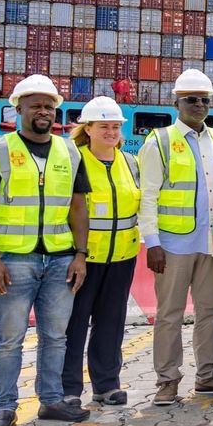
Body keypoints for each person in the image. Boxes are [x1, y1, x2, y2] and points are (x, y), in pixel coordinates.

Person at [0, 75, 92, 426]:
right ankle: (5, 407)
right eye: (35, 105)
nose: (43, 111)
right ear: (18, 108)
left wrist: (80, 255)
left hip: (59, 260)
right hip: (13, 261)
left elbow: (78, 208)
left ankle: (51, 400)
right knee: (9, 339)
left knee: (56, 336)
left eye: (49, 106)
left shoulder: (69, 151)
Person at [138, 68, 213, 406]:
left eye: (204, 99)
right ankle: (167, 381)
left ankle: (208, 375)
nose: (198, 104)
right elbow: (147, 195)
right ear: (177, 101)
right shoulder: (160, 141)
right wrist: (152, 243)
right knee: (170, 314)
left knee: (211, 311)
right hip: (173, 245)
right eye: (191, 99)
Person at [63, 97, 141, 407]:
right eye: (103, 126)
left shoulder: (130, 162)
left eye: (115, 127)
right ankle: (68, 389)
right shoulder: (74, 161)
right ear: (88, 129)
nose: (111, 132)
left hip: (122, 257)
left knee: (111, 323)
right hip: (83, 259)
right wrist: (74, 253)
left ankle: (107, 385)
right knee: (74, 325)